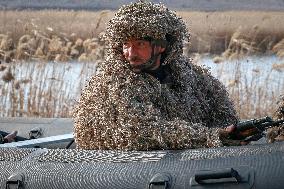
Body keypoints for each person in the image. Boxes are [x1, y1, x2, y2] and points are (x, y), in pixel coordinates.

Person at [73, 1, 243, 150]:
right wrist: (210, 137)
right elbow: (143, 131)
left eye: (140, 44)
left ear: (161, 46)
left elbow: (222, 110)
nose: (130, 53)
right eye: (126, 44)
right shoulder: (115, 80)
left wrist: (231, 132)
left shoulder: (188, 74)